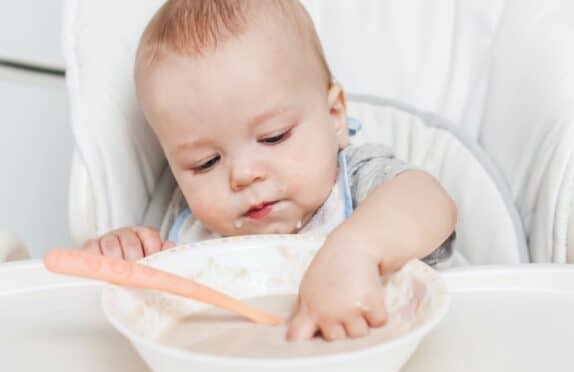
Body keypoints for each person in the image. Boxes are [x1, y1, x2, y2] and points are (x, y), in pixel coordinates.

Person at [81, 0, 457, 341]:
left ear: (334, 117)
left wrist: (357, 248)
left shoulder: (357, 183)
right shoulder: (191, 237)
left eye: (274, 137)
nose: (243, 175)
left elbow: (429, 201)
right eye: (205, 163)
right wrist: (124, 254)